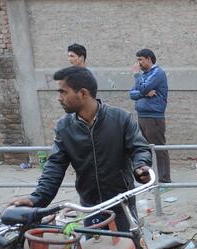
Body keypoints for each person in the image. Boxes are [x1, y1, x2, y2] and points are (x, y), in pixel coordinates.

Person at [10, 67, 152, 231]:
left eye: (63, 92)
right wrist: (36, 199)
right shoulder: (64, 127)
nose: (59, 98)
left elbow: (139, 148)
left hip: (122, 205)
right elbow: (55, 166)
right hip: (90, 208)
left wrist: (141, 166)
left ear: (83, 93)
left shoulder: (120, 118)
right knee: (94, 246)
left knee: (127, 246)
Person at [130, 48, 171, 187]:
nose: (138, 63)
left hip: (154, 117)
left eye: (140, 60)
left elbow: (142, 88)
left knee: (158, 148)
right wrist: (144, 93)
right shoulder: (144, 75)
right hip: (142, 116)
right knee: (145, 148)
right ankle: (152, 179)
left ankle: (164, 181)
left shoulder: (157, 73)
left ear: (149, 59)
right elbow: (132, 94)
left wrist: (137, 76)